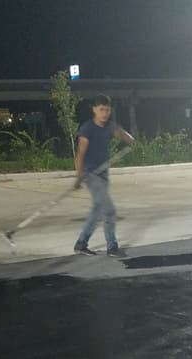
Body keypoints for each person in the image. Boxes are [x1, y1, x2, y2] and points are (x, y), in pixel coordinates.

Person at [73, 95, 135, 258]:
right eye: (101, 109)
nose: (105, 113)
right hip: (91, 174)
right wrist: (79, 176)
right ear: (94, 110)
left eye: (107, 110)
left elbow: (127, 138)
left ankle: (81, 244)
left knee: (97, 210)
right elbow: (80, 154)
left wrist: (125, 135)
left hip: (103, 174)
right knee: (109, 210)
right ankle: (112, 247)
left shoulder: (109, 126)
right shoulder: (87, 128)